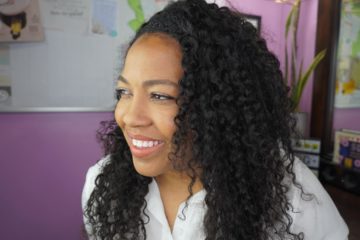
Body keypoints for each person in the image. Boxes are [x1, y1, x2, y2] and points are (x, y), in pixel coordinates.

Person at [82, 0, 349, 239]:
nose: (129, 116)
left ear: (217, 104)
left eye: (160, 96)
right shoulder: (105, 186)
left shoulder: (290, 192)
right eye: (124, 92)